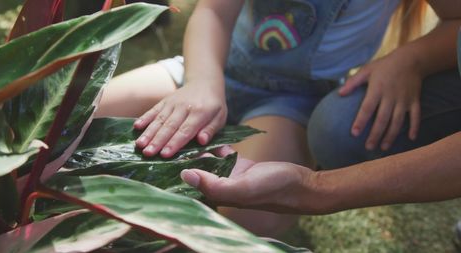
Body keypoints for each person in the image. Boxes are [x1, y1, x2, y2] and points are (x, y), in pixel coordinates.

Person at [96, 0, 461, 237]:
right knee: (74, 118)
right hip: (212, 71)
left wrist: (410, 58)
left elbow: (456, 20)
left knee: (245, 217)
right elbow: (213, 12)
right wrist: (202, 83)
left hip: (291, 102)